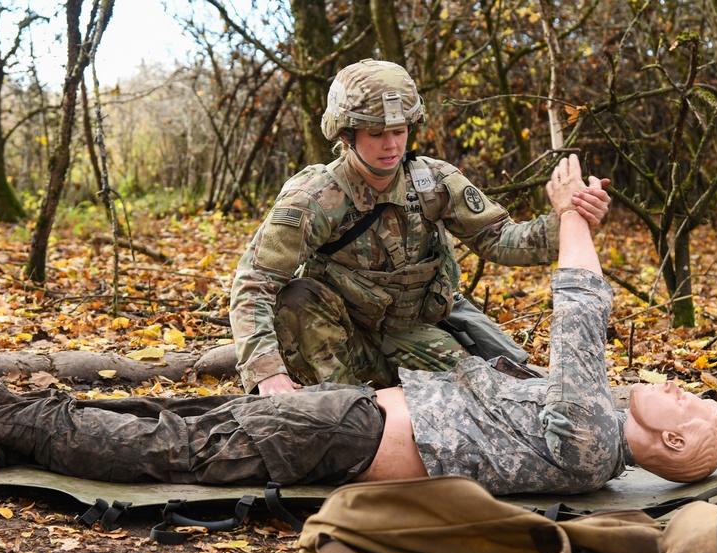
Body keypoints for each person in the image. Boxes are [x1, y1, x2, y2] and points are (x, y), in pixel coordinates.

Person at [0, 156, 717, 496]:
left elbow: (581, 306)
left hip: (345, 431)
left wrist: (568, 219)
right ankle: (4, 431)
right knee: (184, 423)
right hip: (354, 408)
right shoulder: (596, 438)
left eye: (690, 405)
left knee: (170, 445)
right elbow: (256, 281)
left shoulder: (593, 435)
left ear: (677, 446)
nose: (677, 389)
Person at [229, 58, 611, 395]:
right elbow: (254, 283)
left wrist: (568, 219)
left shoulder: (434, 181)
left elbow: (500, 239)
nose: (391, 145)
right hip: (335, 338)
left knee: (495, 396)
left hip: (411, 333)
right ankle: (344, 407)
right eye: (376, 134)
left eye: (399, 131)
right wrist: (267, 372)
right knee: (298, 302)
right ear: (347, 135)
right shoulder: (315, 197)